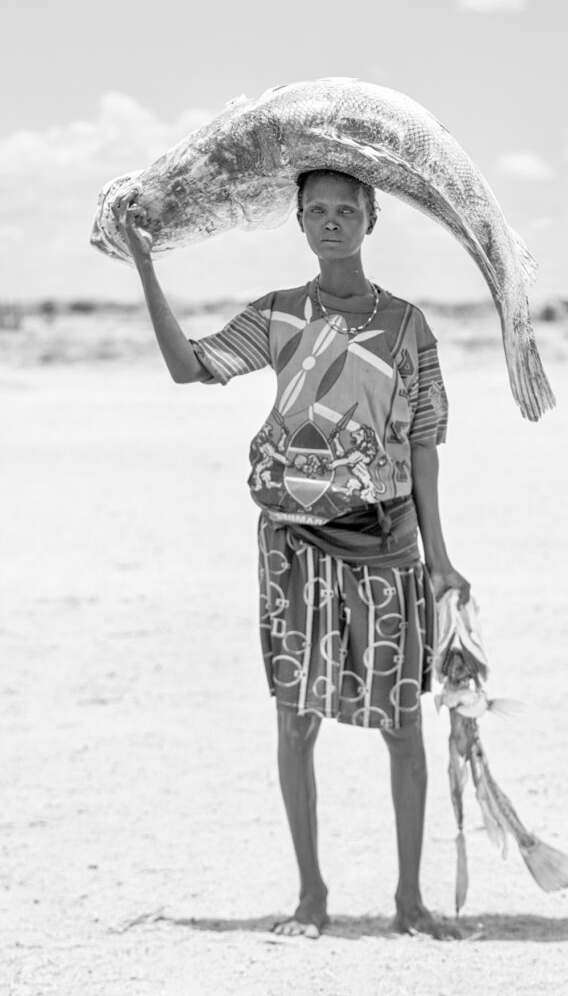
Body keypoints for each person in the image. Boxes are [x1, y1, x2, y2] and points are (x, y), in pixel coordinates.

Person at [115, 168, 470, 941]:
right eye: (317, 212)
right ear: (300, 224)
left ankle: (409, 901)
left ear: (370, 221)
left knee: (401, 722)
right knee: (294, 717)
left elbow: (423, 445)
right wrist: (146, 264)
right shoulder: (279, 315)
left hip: (385, 540)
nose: (331, 223)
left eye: (347, 211)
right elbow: (190, 366)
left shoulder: (407, 326)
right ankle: (312, 897)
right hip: (290, 545)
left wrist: (441, 559)